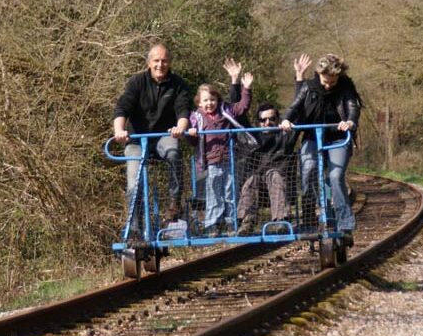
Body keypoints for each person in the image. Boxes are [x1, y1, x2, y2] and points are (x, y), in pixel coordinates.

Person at [113, 43, 190, 233]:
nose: (160, 65)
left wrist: (180, 129)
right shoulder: (137, 82)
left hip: (164, 136)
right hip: (138, 139)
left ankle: (174, 204)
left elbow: (183, 112)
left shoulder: (179, 84)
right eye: (156, 61)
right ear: (149, 63)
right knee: (134, 182)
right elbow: (123, 106)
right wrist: (119, 130)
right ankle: (135, 229)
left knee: (173, 153)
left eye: (164, 61)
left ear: (169, 62)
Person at [280, 54, 361, 232]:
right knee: (308, 170)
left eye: (332, 82)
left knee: (335, 176)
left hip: (338, 137)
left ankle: (344, 221)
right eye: (325, 81)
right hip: (312, 137)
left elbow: (352, 108)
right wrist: (286, 120)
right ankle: (310, 215)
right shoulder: (309, 87)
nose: (328, 85)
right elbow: (295, 106)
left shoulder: (346, 86)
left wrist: (349, 122)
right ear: (319, 74)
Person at [187, 72, 253, 234]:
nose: (209, 103)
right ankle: (213, 223)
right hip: (210, 161)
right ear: (199, 102)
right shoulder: (196, 118)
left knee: (230, 191)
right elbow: (192, 141)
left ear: (217, 100)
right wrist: (191, 133)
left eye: (212, 100)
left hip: (229, 159)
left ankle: (231, 221)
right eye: (205, 100)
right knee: (214, 192)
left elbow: (242, 106)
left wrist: (247, 89)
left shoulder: (225, 111)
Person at [236, 102, 297, 232]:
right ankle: (247, 221)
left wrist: (299, 81)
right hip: (259, 188)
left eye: (272, 119)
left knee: (273, 174)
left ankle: (282, 221)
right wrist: (238, 85)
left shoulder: (285, 135)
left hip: (279, 184)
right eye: (263, 120)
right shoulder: (253, 137)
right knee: (252, 179)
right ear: (258, 122)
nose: (267, 122)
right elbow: (239, 115)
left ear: (278, 120)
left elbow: (296, 111)